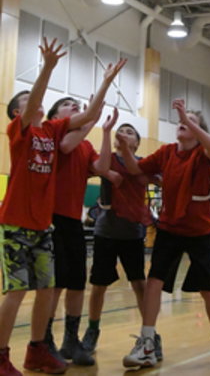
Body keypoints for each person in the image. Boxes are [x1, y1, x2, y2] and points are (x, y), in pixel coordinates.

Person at [0, 38, 125, 376]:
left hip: (43, 225)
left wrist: (106, 82)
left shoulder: (53, 132)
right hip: (16, 222)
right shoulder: (18, 131)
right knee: (17, 291)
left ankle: (37, 351)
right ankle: (1, 355)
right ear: (18, 113)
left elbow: (91, 115)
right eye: (27, 100)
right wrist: (48, 68)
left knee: (46, 289)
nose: (36, 102)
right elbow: (33, 105)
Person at [119, 99, 210, 369]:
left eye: (191, 122)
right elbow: (135, 169)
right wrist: (126, 148)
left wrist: (187, 117)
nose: (182, 123)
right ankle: (147, 343)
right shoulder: (166, 152)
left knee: (208, 288)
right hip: (169, 228)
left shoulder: (203, 154)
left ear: (199, 130)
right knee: (154, 281)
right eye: (181, 121)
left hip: (198, 230)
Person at [45, 98, 120, 366]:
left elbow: (102, 168)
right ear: (56, 115)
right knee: (55, 284)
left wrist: (106, 132)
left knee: (77, 282)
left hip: (72, 222)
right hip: (51, 218)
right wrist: (90, 119)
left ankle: (70, 340)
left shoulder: (86, 144)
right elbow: (66, 146)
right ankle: (44, 340)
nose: (75, 105)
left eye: (77, 103)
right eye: (68, 104)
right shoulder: (52, 134)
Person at [81, 122, 163, 361]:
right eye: (122, 131)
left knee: (139, 285)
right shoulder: (107, 159)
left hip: (132, 233)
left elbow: (159, 178)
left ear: (137, 143)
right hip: (106, 231)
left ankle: (150, 335)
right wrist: (107, 133)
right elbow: (98, 167)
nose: (124, 133)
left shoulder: (141, 163)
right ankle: (92, 330)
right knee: (98, 285)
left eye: (130, 132)